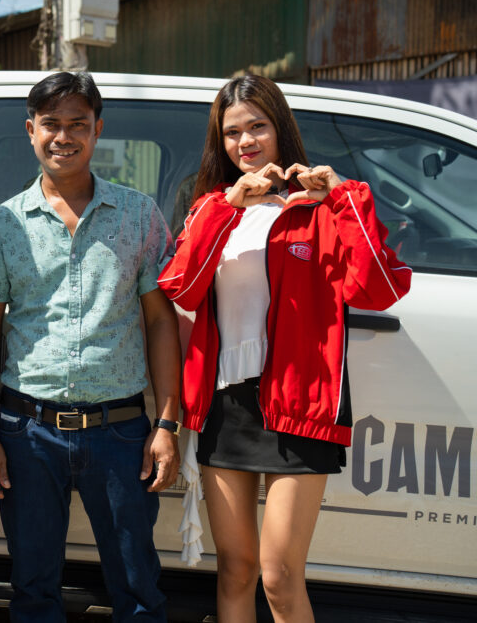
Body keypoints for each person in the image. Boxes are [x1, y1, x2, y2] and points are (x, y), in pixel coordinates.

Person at [157, 74, 412, 622]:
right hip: (226, 405)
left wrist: (343, 198)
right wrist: (230, 205)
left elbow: (379, 289)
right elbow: (180, 287)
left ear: (280, 129)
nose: (245, 141)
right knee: (236, 570)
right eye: (232, 132)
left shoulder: (321, 207)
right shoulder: (212, 208)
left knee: (279, 577)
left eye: (258, 126)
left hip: (302, 402)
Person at [0, 71, 182, 622]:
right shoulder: (3, 225)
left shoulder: (139, 215)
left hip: (121, 432)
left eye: (77, 124)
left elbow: (161, 322)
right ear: (31, 130)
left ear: (97, 130)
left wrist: (166, 425)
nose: (63, 137)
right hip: (26, 432)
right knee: (33, 589)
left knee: (138, 588)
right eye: (51, 124)